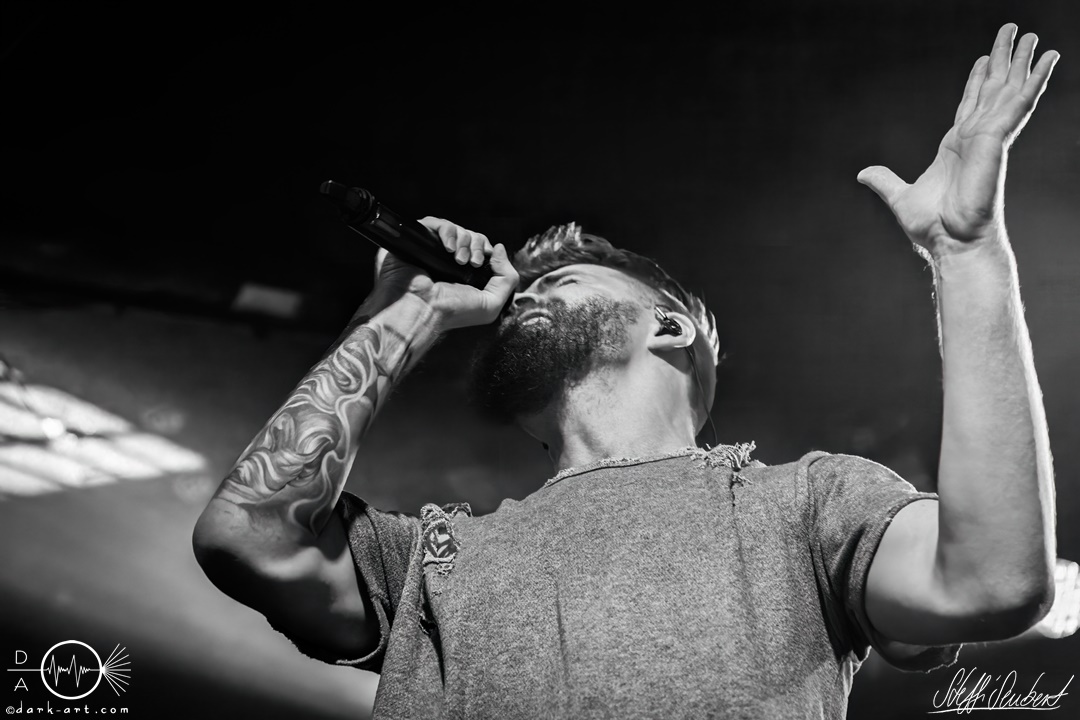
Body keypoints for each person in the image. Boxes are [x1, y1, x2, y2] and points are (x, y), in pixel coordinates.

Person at [192, 24, 1059, 719]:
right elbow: (248, 535)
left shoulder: (805, 506)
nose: (527, 294)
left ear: (670, 327)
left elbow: (990, 581)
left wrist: (967, 253)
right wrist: (405, 311)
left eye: (563, 281)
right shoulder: (432, 559)